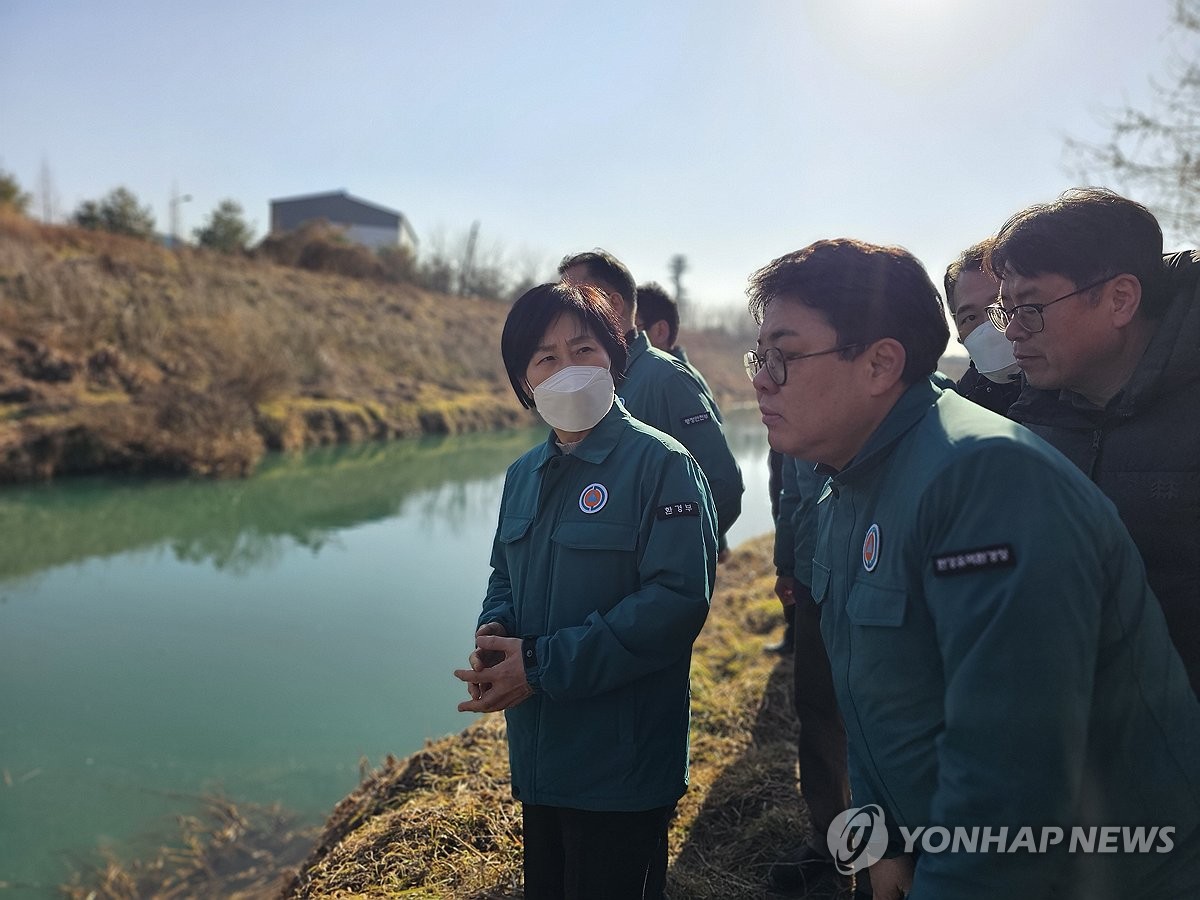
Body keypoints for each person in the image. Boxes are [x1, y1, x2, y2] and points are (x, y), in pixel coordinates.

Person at [748, 237, 1200, 900]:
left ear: (879, 364)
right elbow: (871, 702)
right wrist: (887, 839)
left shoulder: (986, 480)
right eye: (760, 355)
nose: (760, 378)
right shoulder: (846, 482)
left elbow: (1013, 780)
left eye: (783, 357)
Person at [454, 281, 717, 900]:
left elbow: (674, 605)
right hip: (543, 755)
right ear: (524, 383)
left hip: (622, 764)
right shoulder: (523, 475)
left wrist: (540, 664)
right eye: (545, 359)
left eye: (584, 350)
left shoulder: (662, 465)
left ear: (615, 359)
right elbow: (503, 573)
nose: (567, 370)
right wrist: (496, 629)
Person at [985, 188, 1200, 698]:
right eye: (1005, 309)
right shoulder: (1033, 417)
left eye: (1032, 307)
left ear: (1120, 299)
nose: (1011, 333)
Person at [559, 250, 743, 557]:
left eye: (575, 301)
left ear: (614, 305)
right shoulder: (588, 382)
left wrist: (668, 568)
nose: (564, 315)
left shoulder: (666, 378)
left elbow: (721, 487)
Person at [765, 451, 854, 896]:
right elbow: (792, 491)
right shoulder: (794, 408)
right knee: (817, 708)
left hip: (873, 573)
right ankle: (830, 841)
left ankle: (895, 855)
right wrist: (786, 562)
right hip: (811, 577)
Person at [942, 241, 1022, 415]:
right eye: (970, 318)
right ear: (960, 337)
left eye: (1000, 305)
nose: (989, 325)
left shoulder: (1079, 388)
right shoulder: (959, 411)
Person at [634, 280, 720, 415]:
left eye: (633, 330)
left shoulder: (676, 382)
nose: (621, 339)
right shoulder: (650, 378)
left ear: (660, 331)